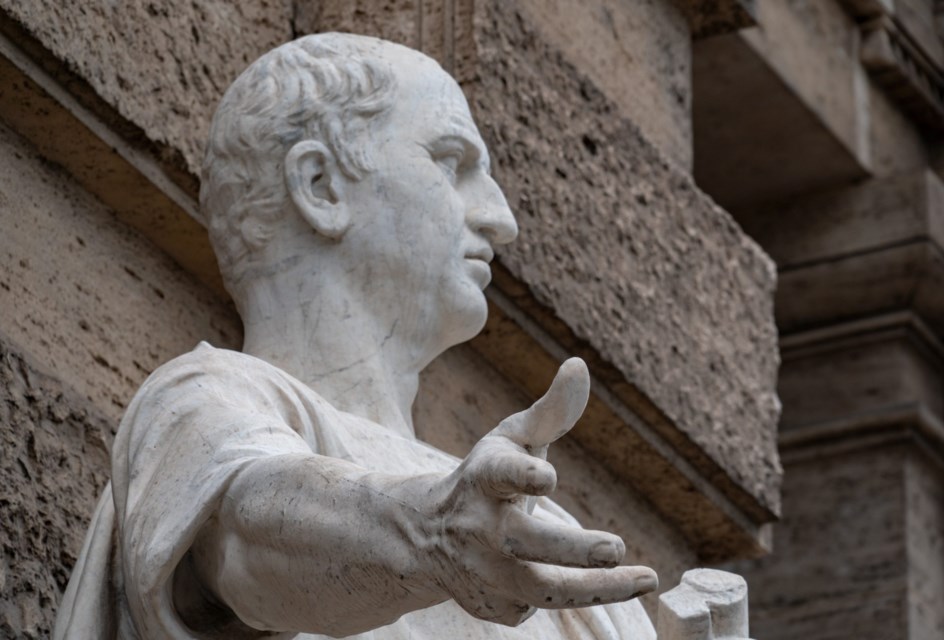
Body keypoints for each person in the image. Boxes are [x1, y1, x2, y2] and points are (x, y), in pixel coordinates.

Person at [54, 33, 659, 639]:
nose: (501, 217)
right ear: (320, 186)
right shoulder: (203, 406)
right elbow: (246, 534)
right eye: (451, 163)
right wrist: (429, 533)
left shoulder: (539, 540)